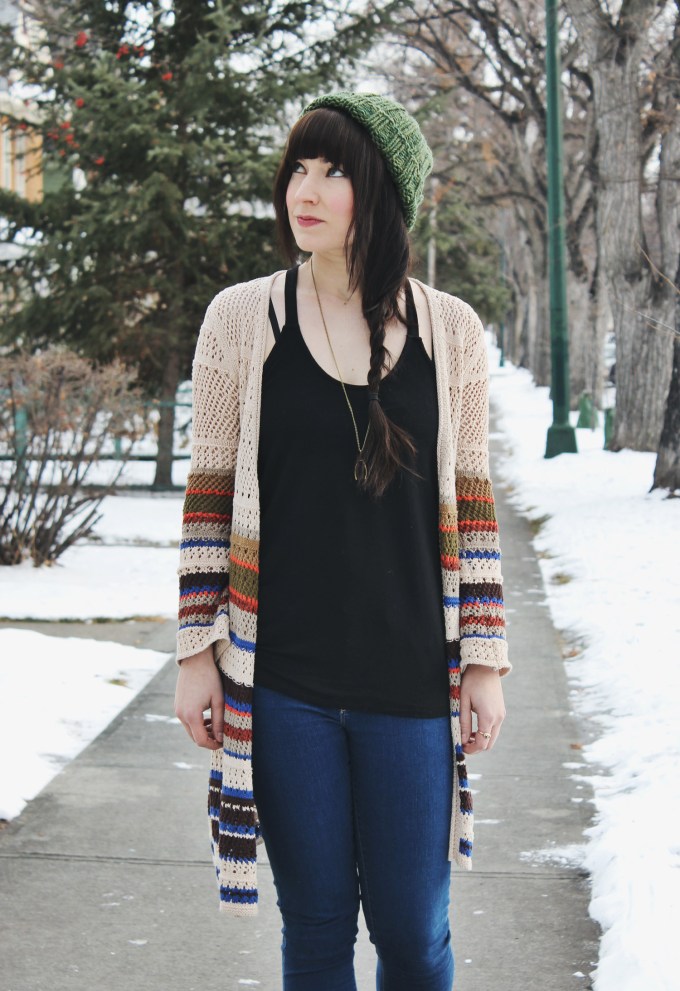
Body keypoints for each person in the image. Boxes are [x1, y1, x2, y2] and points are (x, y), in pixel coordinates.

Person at [174, 91, 510, 991]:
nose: (305, 190)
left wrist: (484, 662)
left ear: (384, 191)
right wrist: (197, 654)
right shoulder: (241, 320)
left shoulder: (452, 332)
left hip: (411, 682)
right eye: (298, 168)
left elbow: (474, 508)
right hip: (285, 684)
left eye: (333, 171)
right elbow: (208, 501)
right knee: (317, 928)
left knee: (413, 931)